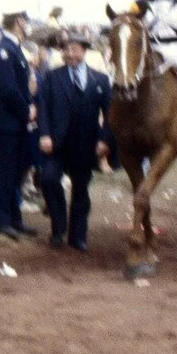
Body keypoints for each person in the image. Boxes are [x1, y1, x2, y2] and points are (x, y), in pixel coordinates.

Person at [35, 33, 113, 252]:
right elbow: (44, 109)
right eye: (66, 50)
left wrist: (104, 139)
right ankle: (58, 229)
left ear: (84, 51)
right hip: (56, 144)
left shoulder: (101, 79)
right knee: (49, 180)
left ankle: (78, 236)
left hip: (86, 144)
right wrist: (44, 135)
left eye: (74, 49)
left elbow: (109, 114)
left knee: (80, 190)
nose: (70, 54)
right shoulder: (52, 76)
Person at [0, 10, 38, 240]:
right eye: (25, 21)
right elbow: (8, 89)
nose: (27, 25)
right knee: (4, 171)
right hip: (7, 121)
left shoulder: (14, 48)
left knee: (15, 171)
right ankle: (0, 219)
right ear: (18, 22)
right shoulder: (4, 50)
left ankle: (13, 217)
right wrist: (26, 110)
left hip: (15, 121)